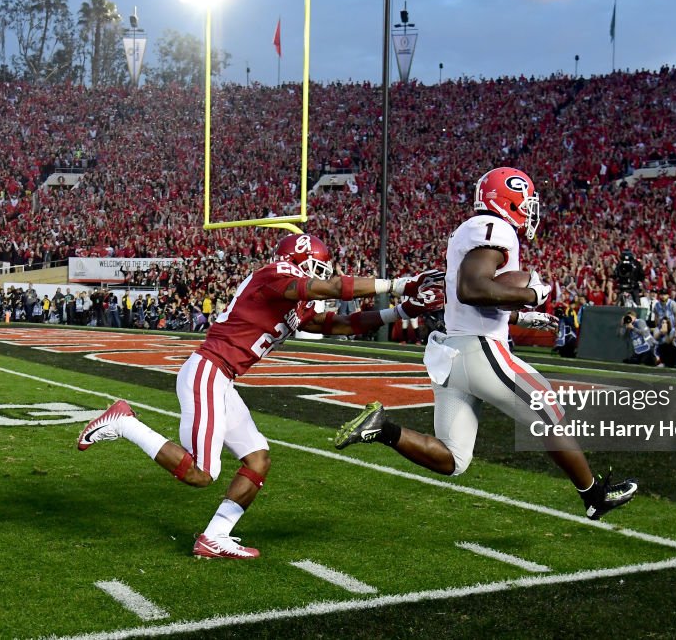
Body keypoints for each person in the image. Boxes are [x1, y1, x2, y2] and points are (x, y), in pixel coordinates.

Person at [76, 233, 443, 559]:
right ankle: (124, 422)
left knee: (258, 460)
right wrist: (400, 283)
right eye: (317, 266)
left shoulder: (294, 296)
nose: (322, 273)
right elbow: (330, 289)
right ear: (300, 258)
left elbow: (337, 324)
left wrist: (401, 310)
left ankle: (215, 536)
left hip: (223, 378)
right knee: (203, 473)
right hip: (209, 369)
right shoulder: (274, 274)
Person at [332, 167, 637, 521]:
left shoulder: (472, 231)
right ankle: (596, 496)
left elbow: (466, 299)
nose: (529, 209)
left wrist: (520, 316)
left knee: (454, 458)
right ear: (509, 198)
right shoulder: (493, 228)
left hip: (455, 352)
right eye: (526, 201)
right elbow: (472, 290)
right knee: (548, 410)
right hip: (479, 352)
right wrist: (529, 294)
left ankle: (383, 428)